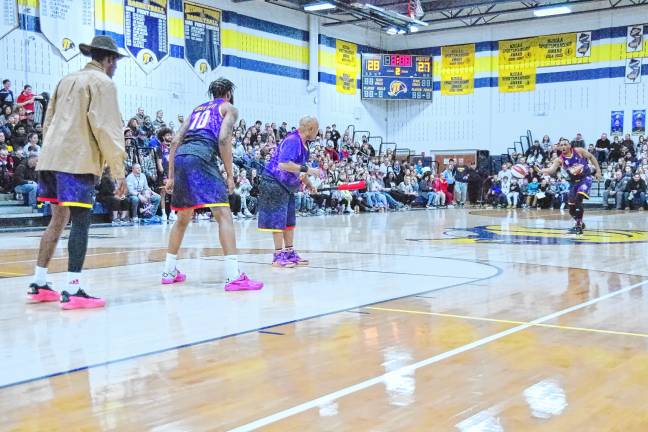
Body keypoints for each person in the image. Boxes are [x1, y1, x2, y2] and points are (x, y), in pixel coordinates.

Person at [29, 35, 127, 309]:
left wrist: (48, 154)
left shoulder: (66, 79)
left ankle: (38, 282)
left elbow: (47, 122)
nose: (116, 66)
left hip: (50, 159)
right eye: (115, 61)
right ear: (108, 59)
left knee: (58, 220)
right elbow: (106, 128)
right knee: (82, 220)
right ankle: (73, 289)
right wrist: (118, 171)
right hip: (76, 160)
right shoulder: (103, 83)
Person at [163, 78, 262, 291]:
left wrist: (170, 175)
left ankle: (169, 270)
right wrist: (229, 174)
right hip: (202, 156)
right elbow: (224, 139)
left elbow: (174, 141)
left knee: (183, 217)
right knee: (223, 214)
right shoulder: (229, 108)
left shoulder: (197, 109)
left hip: (181, 157)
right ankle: (233, 276)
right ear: (228, 93)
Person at [257, 116, 320, 268]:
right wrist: (310, 170)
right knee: (278, 221)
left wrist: (309, 184)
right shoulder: (293, 140)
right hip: (274, 182)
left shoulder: (304, 144)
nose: (318, 133)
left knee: (289, 221)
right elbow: (284, 164)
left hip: (287, 186)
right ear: (310, 129)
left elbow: (298, 168)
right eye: (317, 129)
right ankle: (278, 256)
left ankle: (289, 252)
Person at [542, 138, 601, 234]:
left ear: (570, 145)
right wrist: (542, 170)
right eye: (561, 145)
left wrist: (598, 171)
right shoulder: (559, 159)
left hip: (585, 178)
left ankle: (578, 226)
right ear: (559, 147)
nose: (563, 146)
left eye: (565, 144)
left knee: (578, 199)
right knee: (571, 210)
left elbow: (591, 157)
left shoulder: (579, 151)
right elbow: (551, 170)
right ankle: (580, 222)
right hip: (573, 182)